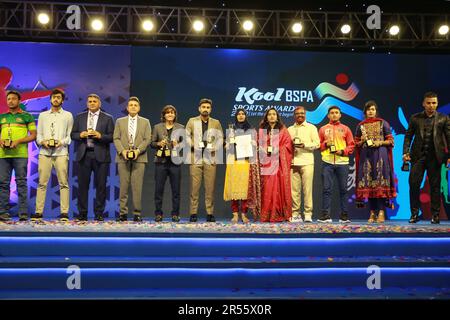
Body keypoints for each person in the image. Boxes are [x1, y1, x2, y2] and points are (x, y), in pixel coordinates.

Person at [403, 91, 450, 224]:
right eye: (428, 103)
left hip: (435, 157)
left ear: (437, 103)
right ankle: (414, 214)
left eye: (434, 103)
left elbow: (449, 137)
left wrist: (449, 156)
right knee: (413, 184)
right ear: (423, 104)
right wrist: (405, 152)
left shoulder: (443, 118)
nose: (431, 105)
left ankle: (435, 215)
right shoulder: (415, 118)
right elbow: (408, 136)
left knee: (435, 186)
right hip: (418, 156)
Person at [71, 93, 114, 221]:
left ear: (99, 103)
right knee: (82, 186)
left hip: (101, 155)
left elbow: (112, 137)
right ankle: (82, 213)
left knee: (101, 186)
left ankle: (99, 213)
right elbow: (73, 135)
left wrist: (100, 136)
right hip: (84, 155)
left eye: (95, 101)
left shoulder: (107, 118)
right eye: (89, 101)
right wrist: (81, 134)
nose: (92, 103)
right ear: (87, 103)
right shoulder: (79, 117)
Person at [33, 89, 73, 221]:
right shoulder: (43, 115)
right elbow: (38, 135)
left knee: (63, 183)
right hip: (44, 153)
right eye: (54, 97)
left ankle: (64, 213)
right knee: (42, 183)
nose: (56, 99)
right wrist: (42, 142)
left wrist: (60, 142)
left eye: (58, 97)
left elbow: (69, 136)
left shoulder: (68, 115)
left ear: (62, 100)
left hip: (61, 153)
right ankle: (38, 212)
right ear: (50, 99)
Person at [354, 101, 397, 223]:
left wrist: (380, 142)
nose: (371, 111)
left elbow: (391, 141)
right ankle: (372, 212)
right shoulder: (360, 126)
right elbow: (355, 144)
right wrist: (362, 141)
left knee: (380, 184)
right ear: (365, 112)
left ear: (376, 111)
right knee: (369, 184)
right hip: (366, 157)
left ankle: (382, 212)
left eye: (373, 109)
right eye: (368, 110)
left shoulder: (383, 123)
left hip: (380, 155)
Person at [0, 90, 36, 222]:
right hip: (3, 155)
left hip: (20, 155)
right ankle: (3, 212)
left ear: (19, 101)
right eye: (9, 99)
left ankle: (23, 213)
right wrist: (1, 141)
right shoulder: (2, 117)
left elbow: (33, 135)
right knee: (3, 184)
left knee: (21, 182)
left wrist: (18, 141)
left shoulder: (27, 116)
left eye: (13, 99)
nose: (11, 101)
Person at [113, 97, 151, 222]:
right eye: (131, 105)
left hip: (139, 158)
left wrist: (137, 151)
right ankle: (122, 213)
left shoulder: (145, 122)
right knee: (123, 186)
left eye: (135, 105)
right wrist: (123, 151)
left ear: (139, 108)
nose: (133, 107)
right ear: (127, 108)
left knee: (137, 187)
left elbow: (147, 139)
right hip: (123, 157)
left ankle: (137, 213)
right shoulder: (120, 121)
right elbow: (116, 138)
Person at [185, 98, 223, 223]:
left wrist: (214, 147)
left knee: (210, 188)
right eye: (203, 107)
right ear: (199, 108)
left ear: (210, 109)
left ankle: (210, 213)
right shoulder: (192, 121)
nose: (205, 109)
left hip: (210, 158)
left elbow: (221, 139)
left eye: (208, 107)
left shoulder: (216, 123)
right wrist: (193, 145)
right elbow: (186, 136)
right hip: (195, 157)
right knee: (194, 188)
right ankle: (193, 213)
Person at [223, 108, 261, 223]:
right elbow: (225, 147)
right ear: (236, 116)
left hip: (245, 161)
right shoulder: (231, 129)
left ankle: (244, 214)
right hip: (233, 161)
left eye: (243, 114)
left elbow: (256, 146)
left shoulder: (251, 130)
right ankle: (235, 214)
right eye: (238, 114)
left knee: (245, 189)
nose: (240, 116)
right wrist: (229, 142)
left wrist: (253, 144)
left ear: (245, 116)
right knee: (234, 187)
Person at [318, 106, 355, 223]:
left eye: (336, 113)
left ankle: (344, 215)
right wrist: (325, 143)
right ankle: (326, 215)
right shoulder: (323, 129)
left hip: (342, 162)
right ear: (328, 115)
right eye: (332, 113)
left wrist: (342, 151)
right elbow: (318, 146)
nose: (334, 115)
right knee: (326, 189)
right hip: (327, 162)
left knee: (343, 189)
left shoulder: (346, 129)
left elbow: (351, 145)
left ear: (340, 115)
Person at [259, 107, 293, 222]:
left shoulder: (283, 129)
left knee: (279, 187)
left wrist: (278, 149)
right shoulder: (263, 129)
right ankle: (267, 214)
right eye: (269, 114)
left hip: (279, 164)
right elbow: (259, 145)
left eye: (274, 114)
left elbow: (288, 145)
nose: (272, 116)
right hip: (267, 163)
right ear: (266, 117)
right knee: (268, 188)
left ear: (277, 116)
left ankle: (279, 213)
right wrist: (263, 150)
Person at [151, 105, 184, 222]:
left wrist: (178, 145)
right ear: (164, 115)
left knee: (176, 190)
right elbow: (152, 143)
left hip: (175, 162)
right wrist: (159, 143)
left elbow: (185, 145)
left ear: (175, 115)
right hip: (161, 162)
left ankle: (175, 214)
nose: (170, 114)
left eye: (172, 112)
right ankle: (158, 213)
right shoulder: (157, 127)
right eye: (168, 112)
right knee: (158, 190)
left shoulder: (181, 127)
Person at [287, 106, 320, 223]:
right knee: (294, 191)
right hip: (293, 162)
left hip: (307, 161)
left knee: (307, 189)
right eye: (297, 113)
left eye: (302, 113)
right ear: (294, 115)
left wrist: (304, 145)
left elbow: (317, 144)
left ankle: (307, 213)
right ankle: (295, 213)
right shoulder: (289, 129)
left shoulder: (311, 128)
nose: (300, 115)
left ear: (305, 114)